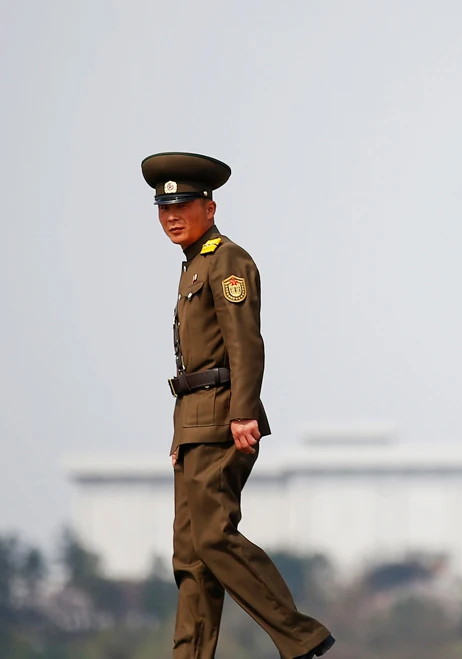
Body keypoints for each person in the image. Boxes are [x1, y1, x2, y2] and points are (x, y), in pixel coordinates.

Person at [143, 151, 335, 659]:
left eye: (182, 204)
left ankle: (300, 636)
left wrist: (244, 412)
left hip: (224, 421)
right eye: (163, 209)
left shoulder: (228, 260)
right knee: (190, 557)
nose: (172, 216)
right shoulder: (193, 267)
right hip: (194, 426)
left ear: (209, 205)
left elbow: (245, 343)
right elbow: (192, 364)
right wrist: (178, 438)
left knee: (213, 538)